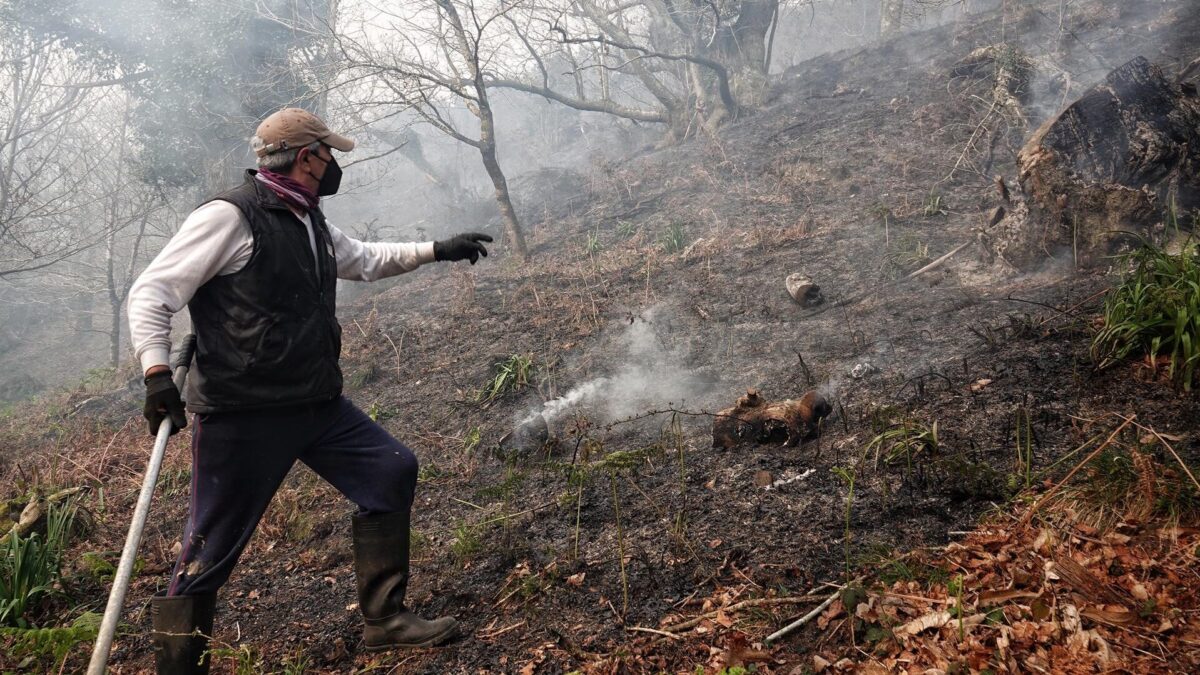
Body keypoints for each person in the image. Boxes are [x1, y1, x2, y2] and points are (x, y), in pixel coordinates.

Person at [127, 108, 491, 674]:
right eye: (330, 154)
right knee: (209, 548)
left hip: (315, 401)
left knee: (389, 470)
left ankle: (385, 620)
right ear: (307, 158)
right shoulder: (231, 216)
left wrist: (436, 249)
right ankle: (179, 668)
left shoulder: (307, 218)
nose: (334, 164)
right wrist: (155, 375)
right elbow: (153, 293)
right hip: (243, 413)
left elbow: (363, 260)